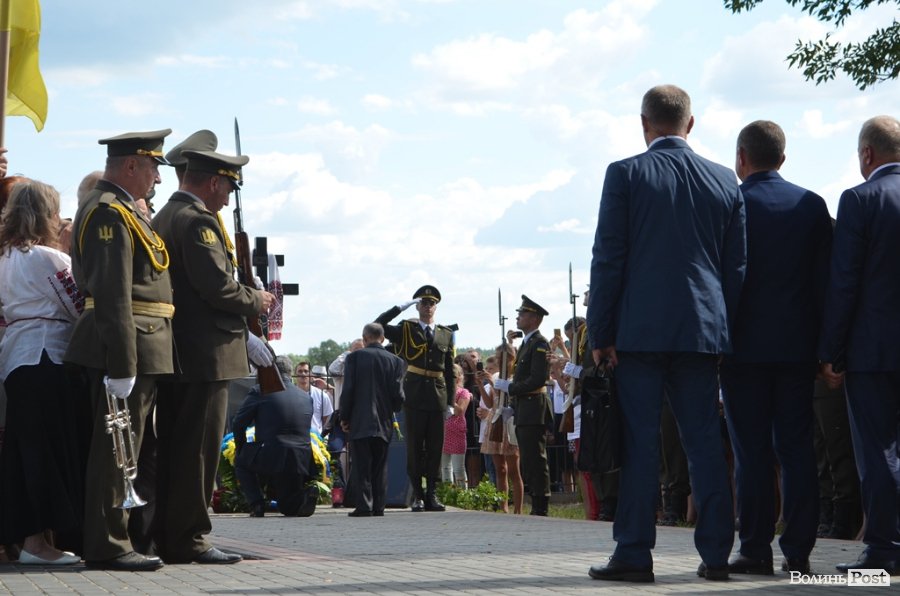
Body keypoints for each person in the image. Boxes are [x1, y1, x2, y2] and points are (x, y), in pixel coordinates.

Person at [586, 85, 746, 583]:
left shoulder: (626, 173)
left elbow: (608, 256)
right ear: (690, 124)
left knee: (641, 443)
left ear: (643, 123)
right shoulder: (724, 180)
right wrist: (722, 330)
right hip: (701, 331)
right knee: (704, 444)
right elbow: (736, 266)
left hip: (639, 332)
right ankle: (716, 555)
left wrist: (600, 332)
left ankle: (634, 553)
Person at [151, 148, 275, 565]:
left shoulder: (166, 215)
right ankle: (190, 538)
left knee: (178, 447)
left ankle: (169, 533)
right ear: (213, 182)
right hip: (205, 353)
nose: (226, 197)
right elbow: (217, 287)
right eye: (228, 187)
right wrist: (256, 299)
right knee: (198, 452)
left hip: (180, 351)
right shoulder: (197, 221)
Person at [719, 120, 832, 576]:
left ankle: (754, 547)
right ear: (782, 158)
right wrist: (826, 347)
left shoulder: (731, 202)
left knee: (751, 454)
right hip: (798, 349)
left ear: (741, 158)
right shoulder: (811, 205)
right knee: (797, 449)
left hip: (742, 349)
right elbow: (826, 283)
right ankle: (799, 549)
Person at [65, 129, 175, 572]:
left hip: (141, 341)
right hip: (127, 345)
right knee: (116, 450)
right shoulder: (108, 212)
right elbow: (113, 295)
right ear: (131, 165)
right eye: (153, 168)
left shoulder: (122, 209)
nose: (157, 179)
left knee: (125, 448)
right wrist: (123, 362)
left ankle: (116, 538)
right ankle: (108, 544)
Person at [820, 115, 900, 576]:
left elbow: (844, 281)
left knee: (878, 451)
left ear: (867, 154)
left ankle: (885, 549)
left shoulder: (860, 199)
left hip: (874, 350)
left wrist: (831, 351)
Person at [0, 180, 84, 565]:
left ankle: (30, 540)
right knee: (47, 452)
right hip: (47, 356)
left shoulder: (4, 257)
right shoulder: (49, 258)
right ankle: (39, 545)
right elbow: (77, 306)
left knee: (24, 452)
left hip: (16, 359)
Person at [376, 285, 454, 512]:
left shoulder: (445, 333)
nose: (428, 307)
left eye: (432, 303)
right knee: (414, 447)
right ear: (417, 306)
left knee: (435, 447)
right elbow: (378, 326)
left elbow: (449, 371)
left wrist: (450, 402)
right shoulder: (406, 329)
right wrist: (398, 308)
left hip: (437, 394)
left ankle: (432, 494)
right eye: (424, 303)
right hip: (414, 393)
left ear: (436, 307)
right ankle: (417, 495)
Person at [232, 355, 318, 518]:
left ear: (271, 371)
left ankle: (257, 504)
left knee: (241, 463)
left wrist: (241, 450)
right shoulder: (306, 396)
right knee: (287, 507)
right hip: (302, 459)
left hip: (271, 455)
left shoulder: (260, 391)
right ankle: (302, 498)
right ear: (290, 372)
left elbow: (238, 423)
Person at [494, 295, 552, 516]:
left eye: (523, 314)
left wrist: (510, 388)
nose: (518, 317)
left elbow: (537, 379)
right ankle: (536, 501)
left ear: (534, 318)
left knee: (536, 458)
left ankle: (541, 504)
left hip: (534, 407)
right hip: (525, 408)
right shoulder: (527, 344)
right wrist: (512, 405)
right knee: (528, 459)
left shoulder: (539, 343)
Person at [340, 323, 406, 517]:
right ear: (383, 338)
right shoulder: (396, 361)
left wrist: (344, 416)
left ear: (364, 338)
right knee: (380, 465)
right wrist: (392, 408)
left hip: (360, 419)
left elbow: (348, 390)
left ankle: (364, 506)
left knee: (362, 465)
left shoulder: (354, 358)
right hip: (383, 421)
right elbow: (398, 395)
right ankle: (379, 505)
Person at [478, 348, 523, 514]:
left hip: (508, 423)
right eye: (497, 357)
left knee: (514, 470)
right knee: (500, 469)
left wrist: (491, 382)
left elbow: (508, 398)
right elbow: (490, 403)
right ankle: (503, 506)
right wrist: (480, 385)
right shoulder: (496, 376)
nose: (497, 360)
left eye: (500, 357)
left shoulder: (515, 377)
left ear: (510, 358)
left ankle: (518, 509)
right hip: (495, 421)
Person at [441, 364, 471, 487]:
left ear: (458, 377)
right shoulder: (440, 390)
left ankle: (462, 494)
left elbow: (460, 411)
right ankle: (447, 493)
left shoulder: (464, 392)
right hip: (442, 433)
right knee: (445, 468)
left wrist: (449, 396)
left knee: (458, 468)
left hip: (456, 433)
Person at [294, 360, 335, 436]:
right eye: (300, 371)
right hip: (295, 437)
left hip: (315, 439)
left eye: (306, 371)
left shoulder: (322, 395)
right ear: (295, 375)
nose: (303, 374)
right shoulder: (290, 394)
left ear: (310, 374)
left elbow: (326, 419)